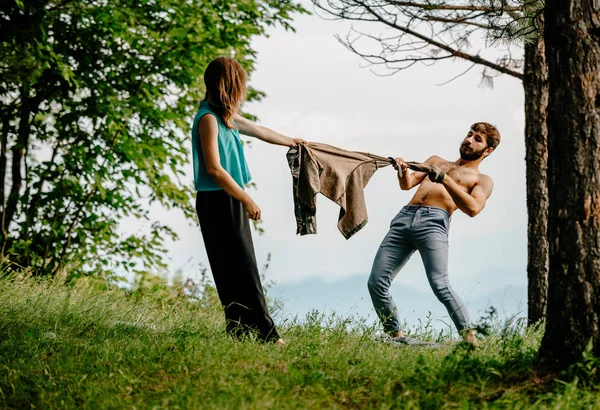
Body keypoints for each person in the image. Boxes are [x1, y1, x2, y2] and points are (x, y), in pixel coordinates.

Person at [192, 56, 305, 344]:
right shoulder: (207, 119)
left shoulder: (225, 118)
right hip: (218, 200)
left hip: (225, 199)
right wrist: (246, 199)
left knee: (235, 268)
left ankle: (238, 330)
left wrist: (294, 142)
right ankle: (268, 334)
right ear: (227, 86)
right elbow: (214, 169)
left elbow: (261, 131)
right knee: (241, 268)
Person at [367, 123, 501, 346]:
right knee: (376, 282)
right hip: (404, 218)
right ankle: (396, 338)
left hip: (434, 223)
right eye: (469, 135)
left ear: (487, 151)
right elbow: (407, 184)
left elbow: (474, 208)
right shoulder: (436, 161)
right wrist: (402, 170)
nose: (469, 140)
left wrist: (445, 180)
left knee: (440, 284)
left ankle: (470, 340)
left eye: (478, 139)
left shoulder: (483, 180)